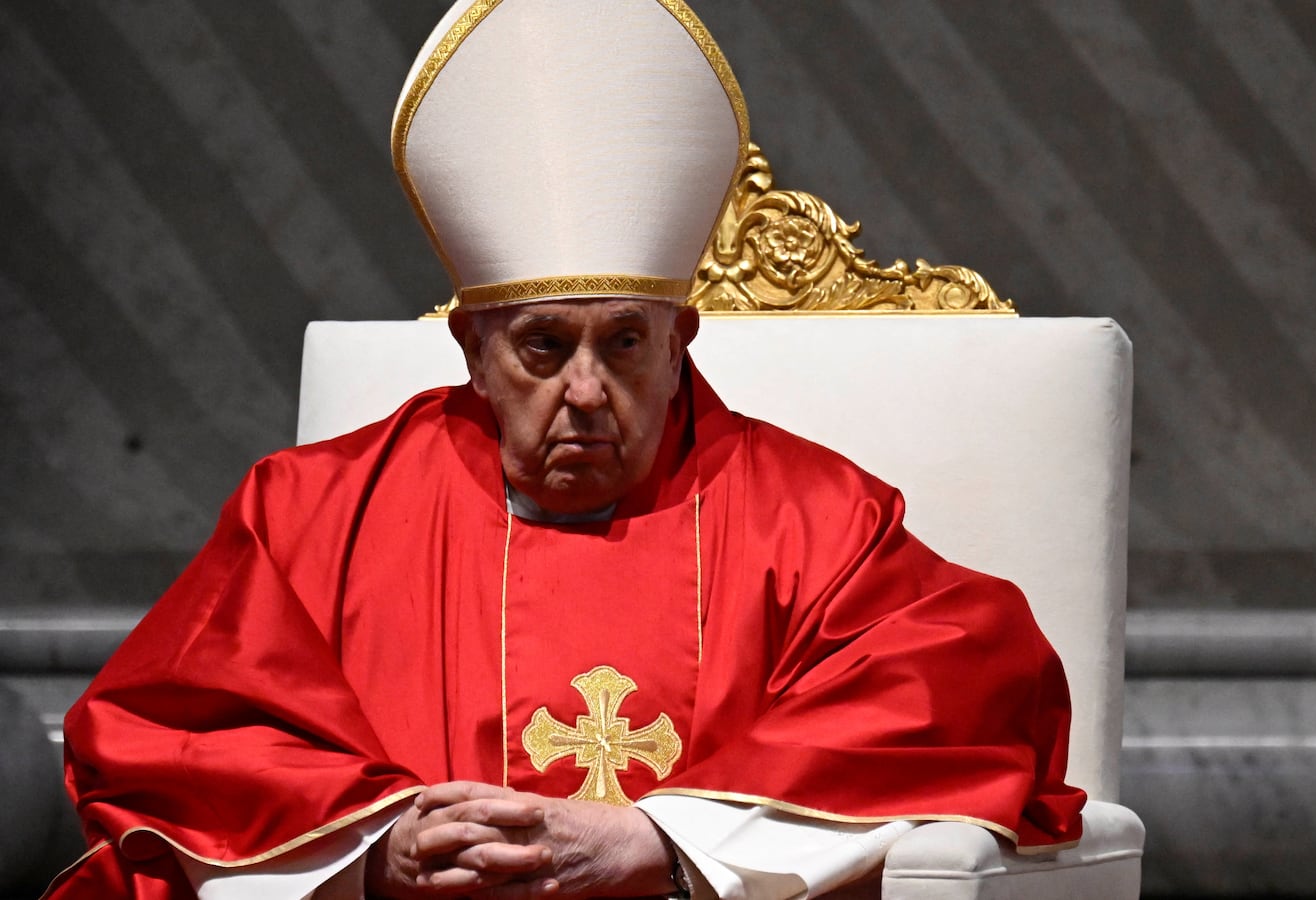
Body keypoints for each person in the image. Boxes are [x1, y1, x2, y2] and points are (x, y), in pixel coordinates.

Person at [46, 1, 1086, 897]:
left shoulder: (812, 518)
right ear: (473, 350)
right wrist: (373, 849)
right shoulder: (315, 511)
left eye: (625, 343)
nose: (585, 391)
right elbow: (166, 733)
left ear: (680, 342)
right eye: (544, 347)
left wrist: (662, 839)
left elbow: (976, 678)